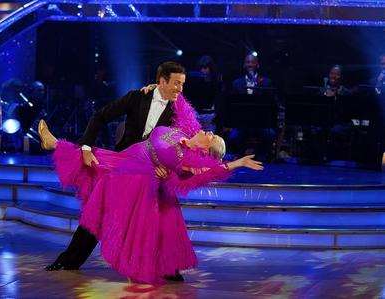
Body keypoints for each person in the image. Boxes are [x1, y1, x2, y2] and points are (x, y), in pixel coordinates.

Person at [39, 119, 263, 284]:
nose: (210, 131)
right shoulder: (183, 132)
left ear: (205, 150)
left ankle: (56, 144)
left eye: (213, 137)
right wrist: (151, 89)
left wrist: (236, 164)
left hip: (134, 177)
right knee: (98, 161)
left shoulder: (183, 160)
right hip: (128, 157)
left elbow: (204, 172)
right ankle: (56, 144)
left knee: (98, 165)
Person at [44, 61, 201, 281]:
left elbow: (182, 148)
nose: (180, 90)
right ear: (162, 81)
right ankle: (69, 260)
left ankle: (169, 269)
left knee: (166, 215)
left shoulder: (179, 111)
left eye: (183, 84)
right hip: (125, 167)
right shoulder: (138, 97)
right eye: (176, 83)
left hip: (154, 174)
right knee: (99, 211)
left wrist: (170, 171)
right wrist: (87, 147)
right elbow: (100, 116)